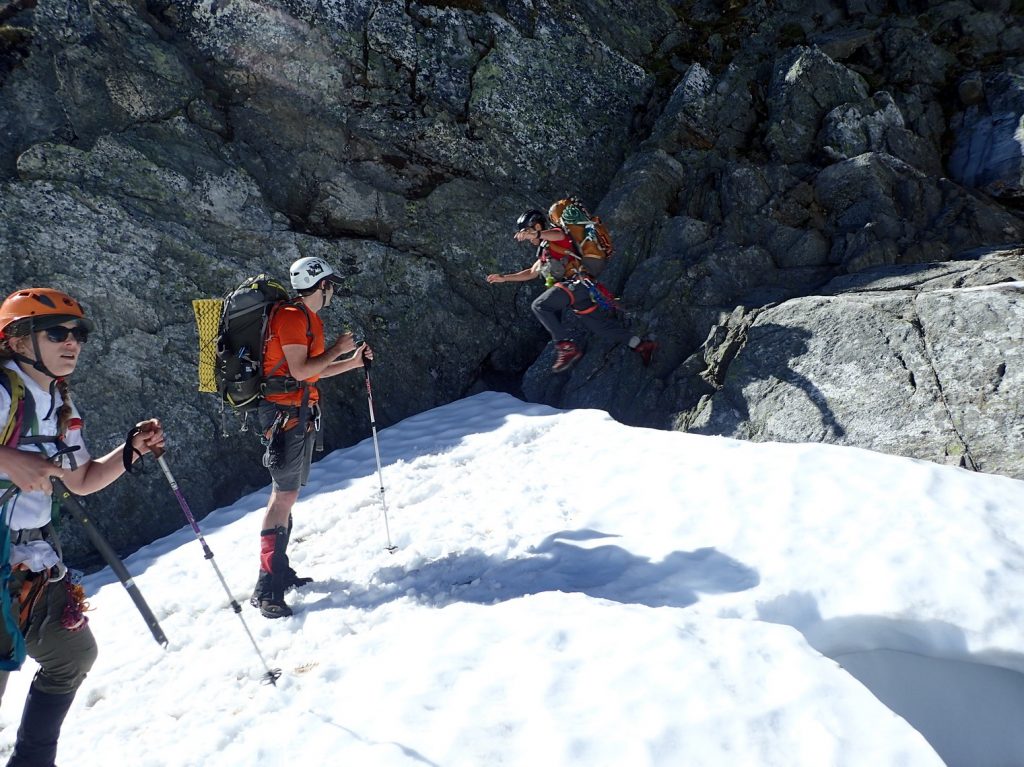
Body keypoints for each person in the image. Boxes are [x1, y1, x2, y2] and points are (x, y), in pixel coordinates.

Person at [0, 287, 164, 767]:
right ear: (16, 340)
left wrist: (130, 452)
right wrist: (7, 458)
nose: (72, 341)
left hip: (32, 561)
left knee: (71, 654)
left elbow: (83, 479)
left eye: (79, 333)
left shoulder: (58, 403)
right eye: (56, 332)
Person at [250, 256, 373, 619]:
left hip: (296, 414)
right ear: (321, 285)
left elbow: (309, 373)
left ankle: (279, 570)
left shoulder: (305, 318)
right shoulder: (290, 316)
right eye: (331, 284)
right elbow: (303, 370)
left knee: (287, 495)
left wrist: (351, 361)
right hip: (284, 416)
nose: (333, 290)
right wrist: (337, 350)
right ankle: (267, 586)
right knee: (283, 497)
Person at [487, 208, 656, 373]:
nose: (525, 236)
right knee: (600, 327)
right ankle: (641, 344)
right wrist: (505, 277)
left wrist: (536, 234)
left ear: (537, 226)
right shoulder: (545, 251)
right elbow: (531, 272)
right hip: (579, 290)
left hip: (577, 284)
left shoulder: (555, 236)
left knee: (539, 306)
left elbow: (559, 234)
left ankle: (565, 347)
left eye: (526, 230)